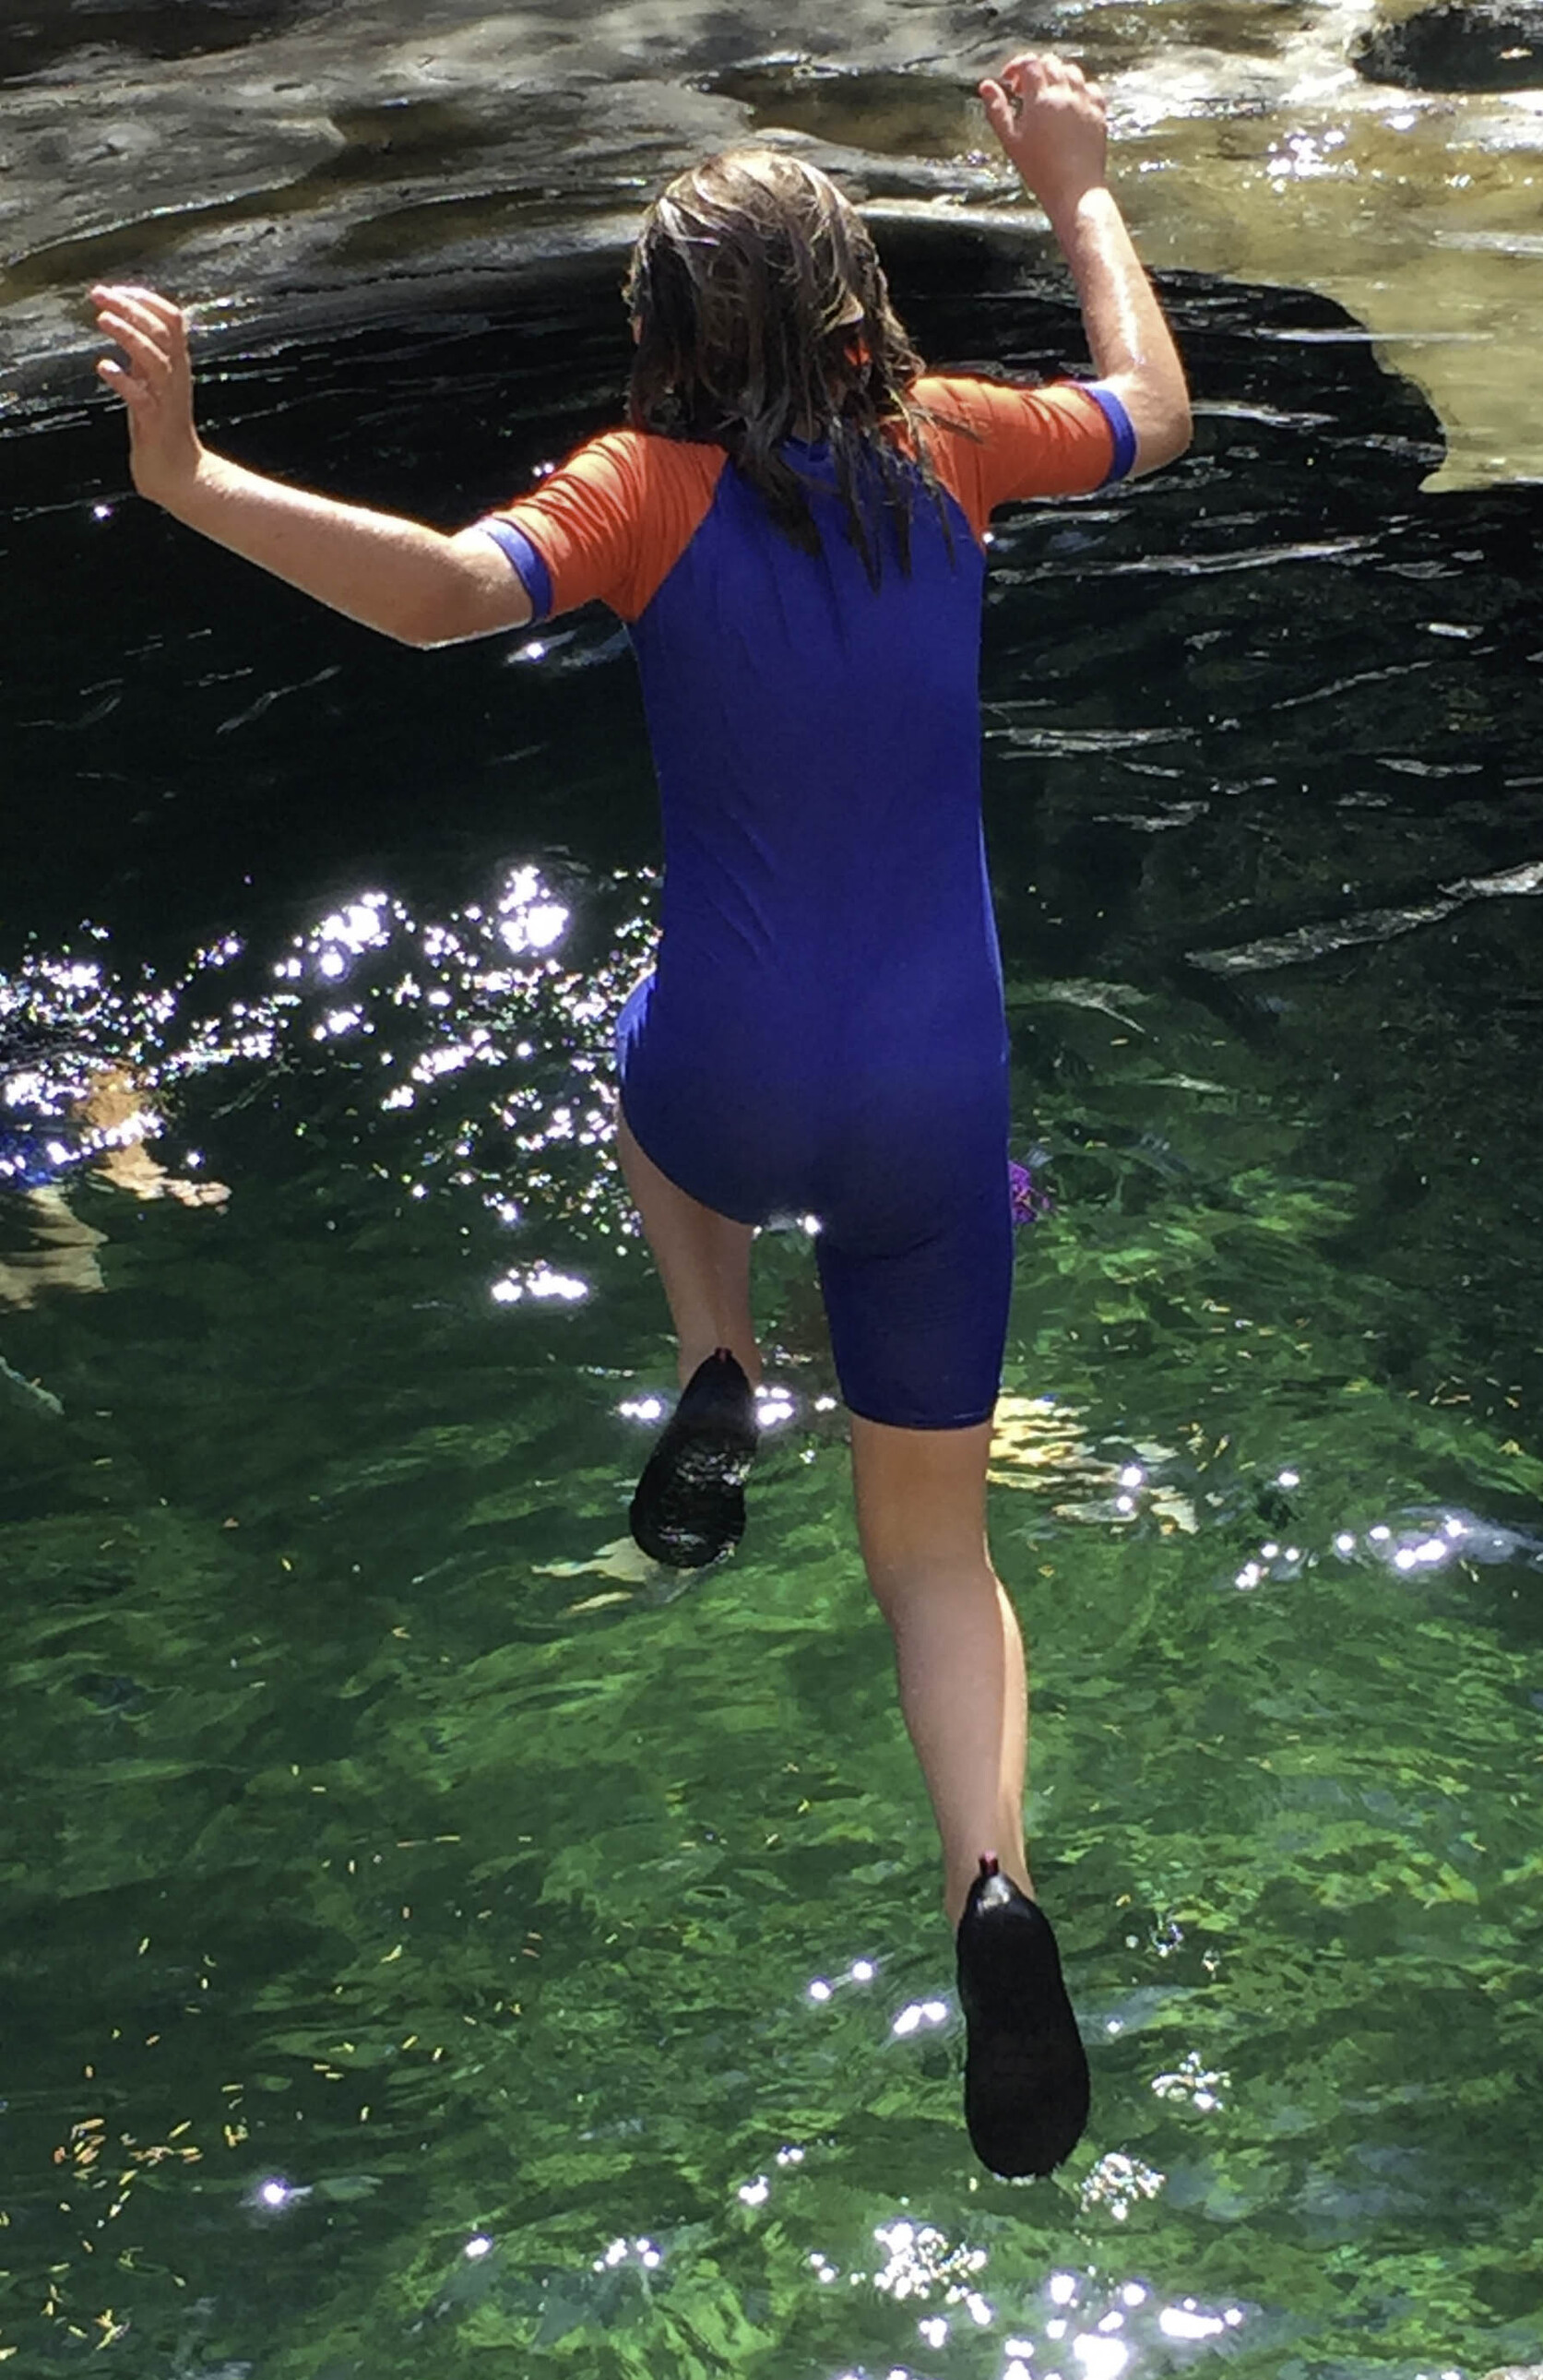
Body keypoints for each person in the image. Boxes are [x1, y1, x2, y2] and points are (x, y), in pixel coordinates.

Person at [89, 51, 1193, 2179]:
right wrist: (1074, 191)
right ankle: (992, 1880)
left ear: (660, 341)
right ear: (861, 308)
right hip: (939, 1110)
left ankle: (712, 1351)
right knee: (938, 1556)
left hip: (731, 1083)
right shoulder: (955, 445)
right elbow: (1153, 400)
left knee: (639, 1073)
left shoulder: (639, 488)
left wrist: (192, 471)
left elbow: (427, 590)